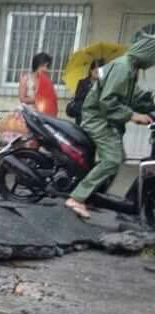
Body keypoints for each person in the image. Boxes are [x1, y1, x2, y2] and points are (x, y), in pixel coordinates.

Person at [66, 35, 155, 219]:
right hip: (98, 119)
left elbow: (135, 98)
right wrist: (133, 115)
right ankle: (77, 197)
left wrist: (151, 105)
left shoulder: (129, 68)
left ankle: (93, 194)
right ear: (147, 52)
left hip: (106, 119)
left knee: (118, 157)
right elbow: (108, 101)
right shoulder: (123, 67)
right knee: (112, 159)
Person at [67, 59, 104, 125]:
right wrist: (91, 89)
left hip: (95, 117)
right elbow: (78, 98)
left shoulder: (102, 84)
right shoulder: (82, 82)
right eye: (96, 72)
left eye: (100, 72)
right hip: (82, 115)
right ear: (91, 70)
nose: (98, 74)